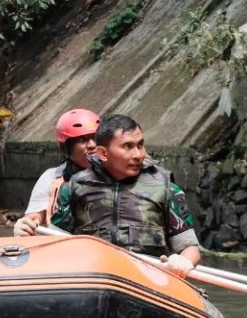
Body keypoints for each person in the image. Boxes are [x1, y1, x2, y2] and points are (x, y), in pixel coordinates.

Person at [51, 114, 200, 279]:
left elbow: (189, 247)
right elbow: (52, 242)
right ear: (102, 152)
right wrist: (28, 229)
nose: (138, 154)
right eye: (127, 146)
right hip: (91, 281)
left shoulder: (165, 187)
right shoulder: (74, 187)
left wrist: (184, 261)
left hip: (149, 284)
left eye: (140, 145)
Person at [13, 108, 100, 236]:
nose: (92, 145)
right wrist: (23, 227)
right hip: (65, 246)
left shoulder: (117, 172)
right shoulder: (51, 178)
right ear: (67, 148)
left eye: (96, 138)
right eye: (82, 140)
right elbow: (33, 219)